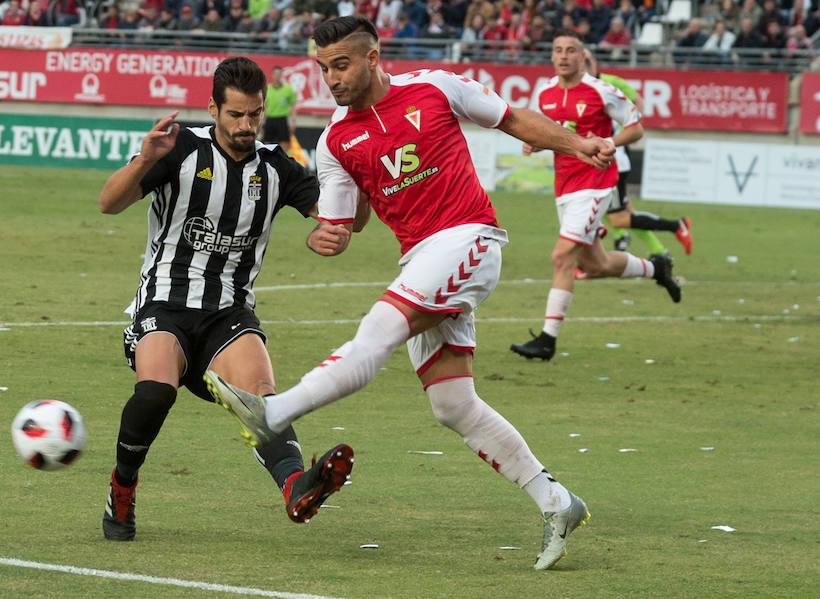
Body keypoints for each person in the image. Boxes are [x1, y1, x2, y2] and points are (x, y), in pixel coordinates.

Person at [205, 15, 617, 571]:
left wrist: (578, 144)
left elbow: (513, 119)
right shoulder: (334, 140)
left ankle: (275, 413)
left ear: (374, 57)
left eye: (342, 65)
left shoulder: (435, 87)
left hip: (469, 236)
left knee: (378, 328)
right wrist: (330, 234)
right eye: (324, 68)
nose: (332, 78)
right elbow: (347, 221)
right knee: (452, 404)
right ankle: (557, 501)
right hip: (421, 258)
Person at [97, 57, 354, 542]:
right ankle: (122, 487)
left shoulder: (276, 166)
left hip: (229, 313)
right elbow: (109, 202)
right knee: (155, 391)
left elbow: (338, 216)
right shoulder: (178, 150)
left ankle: (297, 485)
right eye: (235, 115)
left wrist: (333, 233)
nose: (246, 125)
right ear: (212, 107)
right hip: (164, 306)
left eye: (254, 114)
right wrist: (146, 159)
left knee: (263, 400)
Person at [510, 29, 681, 362]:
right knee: (596, 264)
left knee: (562, 258)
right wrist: (535, 142)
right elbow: (549, 131)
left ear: (583, 55)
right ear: (552, 56)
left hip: (596, 183)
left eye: (570, 50)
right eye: (558, 50)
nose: (563, 56)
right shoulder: (544, 92)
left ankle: (547, 341)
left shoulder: (601, 91)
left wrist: (609, 143)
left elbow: (636, 127)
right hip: (564, 187)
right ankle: (656, 269)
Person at [583, 49, 692, 262]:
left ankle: (673, 226)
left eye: (587, 60)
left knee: (617, 217)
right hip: (597, 157)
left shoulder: (610, 83)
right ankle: (658, 251)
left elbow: (637, 103)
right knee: (617, 213)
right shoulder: (579, 89)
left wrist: (623, 129)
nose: (585, 64)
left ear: (594, 62)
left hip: (612, 157)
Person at [262, 66, 298, 154]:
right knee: (267, 143)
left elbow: (293, 106)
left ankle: (284, 163)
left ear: (282, 75)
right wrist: (261, 121)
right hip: (270, 119)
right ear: (272, 75)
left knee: (285, 144)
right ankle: (268, 163)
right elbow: (263, 106)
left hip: (282, 119)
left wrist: (293, 122)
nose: (277, 76)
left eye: (279, 74)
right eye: (275, 74)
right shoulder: (267, 89)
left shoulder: (288, 89)